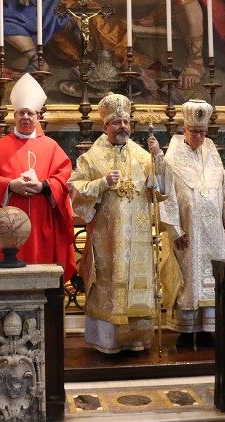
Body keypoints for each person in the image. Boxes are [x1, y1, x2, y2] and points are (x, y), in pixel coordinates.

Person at [68, 93, 161, 354]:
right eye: (117, 122)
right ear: (105, 126)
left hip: (139, 238)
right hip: (107, 239)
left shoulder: (143, 157)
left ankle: (137, 340)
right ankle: (107, 341)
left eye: (126, 122)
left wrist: (159, 159)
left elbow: (161, 190)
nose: (123, 127)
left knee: (136, 287)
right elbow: (74, 189)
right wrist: (101, 184)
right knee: (110, 282)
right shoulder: (91, 158)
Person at [156, 99, 225, 346]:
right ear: (185, 130)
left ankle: (209, 328)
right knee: (189, 279)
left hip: (214, 232)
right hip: (188, 233)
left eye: (203, 132)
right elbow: (166, 195)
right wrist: (174, 230)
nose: (200, 137)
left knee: (212, 278)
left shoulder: (211, 152)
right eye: (195, 132)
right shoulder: (172, 156)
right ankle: (187, 330)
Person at [0, 73, 76, 283]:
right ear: (14, 116)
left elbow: (64, 178)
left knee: (43, 273)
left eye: (30, 113)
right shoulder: (0, 146)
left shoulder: (51, 146)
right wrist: (9, 185)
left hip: (43, 225)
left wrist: (43, 186)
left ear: (38, 117)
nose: (25, 117)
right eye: (21, 113)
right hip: (9, 227)